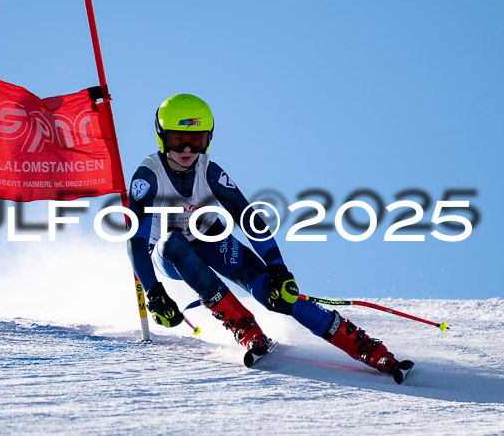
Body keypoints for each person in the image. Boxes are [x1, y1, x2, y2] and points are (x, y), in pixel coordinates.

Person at [126, 93, 405, 376]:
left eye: (196, 140)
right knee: (174, 242)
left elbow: (248, 218)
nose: (187, 148)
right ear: (162, 137)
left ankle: (366, 348)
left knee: (277, 295)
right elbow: (136, 240)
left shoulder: (208, 170)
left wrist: (278, 268)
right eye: (178, 139)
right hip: (169, 255)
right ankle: (244, 327)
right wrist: (154, 291)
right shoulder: (148, 177)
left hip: (210, 240)